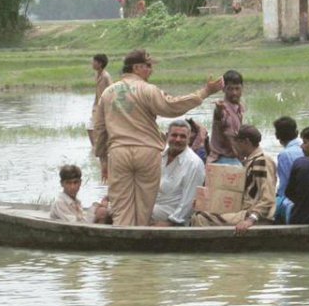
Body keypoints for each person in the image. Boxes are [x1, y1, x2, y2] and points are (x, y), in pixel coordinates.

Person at [93, 49, 224, 226]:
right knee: (144, 207)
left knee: (120, 207)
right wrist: (205, 91)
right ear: (137, 67)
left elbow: (100, 128)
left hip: (119, 152)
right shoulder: (148, 90)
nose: (151, 70)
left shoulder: (108, 93)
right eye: (148, 66)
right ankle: (139, 245)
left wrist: (103, 159)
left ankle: (124, 243)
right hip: (147, 152)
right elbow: (172, 106)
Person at [191, 125, 277, 235]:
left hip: (256, 216)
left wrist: (250, 220)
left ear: (246, 142)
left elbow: (268, 198)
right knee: (200, 211)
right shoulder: (250, 161)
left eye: (236, 143)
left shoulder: (262, 161)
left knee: (201, 218)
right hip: (243, 211)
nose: (234, 147)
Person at [151, 120, 205, 226]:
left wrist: (170, 223)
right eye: (174, 135)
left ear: (189, 139)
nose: (178, 140)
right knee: (114, 210)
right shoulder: (159, 154)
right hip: (150, 206)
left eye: (183, 136)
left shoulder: (194, 163)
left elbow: (189, 201)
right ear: (167, 136)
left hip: (171, 214)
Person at [207, 70, 244, 165]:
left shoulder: (240, 108)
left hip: (233, 157)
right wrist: (218, 110)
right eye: (230, 89)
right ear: (223, 89)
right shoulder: (222, 109)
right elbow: (219, 117)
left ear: (242, 88)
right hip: (223, 158)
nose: (234, 93)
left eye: (237, 89)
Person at [273, 116, 305, 224]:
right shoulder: (306, 146)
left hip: (293, 199)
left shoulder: (285, 155)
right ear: (297, 132)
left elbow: (285, 185)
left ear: (277, 136)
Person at [87, 54, 113, 147]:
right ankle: (96, 148)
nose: (92, 63)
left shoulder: (106, 76)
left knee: (96, 128)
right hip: (97, 106)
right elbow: (97, 92)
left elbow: (112, 91)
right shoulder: (97, 75)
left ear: (100, 63)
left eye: (94, 62)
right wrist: (94, 106)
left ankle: (99, 148)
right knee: (91, 128)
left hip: (104, 107)